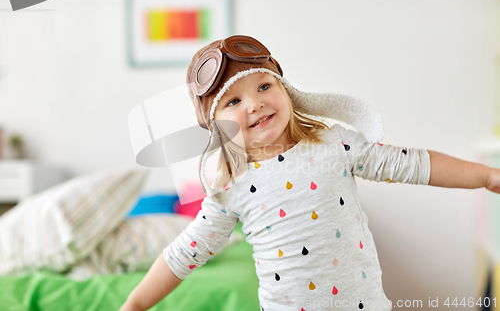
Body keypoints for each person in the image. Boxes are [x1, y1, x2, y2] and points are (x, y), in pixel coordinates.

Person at [120, 35, 500, 311]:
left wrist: (485, 176)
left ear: (287, 91)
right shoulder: (230, 187)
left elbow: (412, 163)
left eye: (264, 85)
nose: (255, 103)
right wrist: (136, 303)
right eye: (234, 101)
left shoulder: (334, 145)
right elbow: (187, 251)